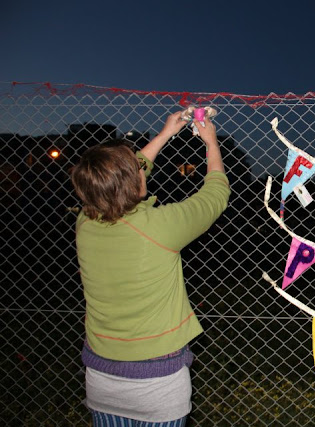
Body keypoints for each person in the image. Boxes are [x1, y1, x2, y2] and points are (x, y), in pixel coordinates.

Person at [71, 111, 230, 426]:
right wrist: (211, 143)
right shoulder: (160, 226)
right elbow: (215, 195)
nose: (141, 167)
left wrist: (165, 133)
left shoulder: (85, 222)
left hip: (101, 376)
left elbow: (116, 179)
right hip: (156, 382)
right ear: (133, 182)